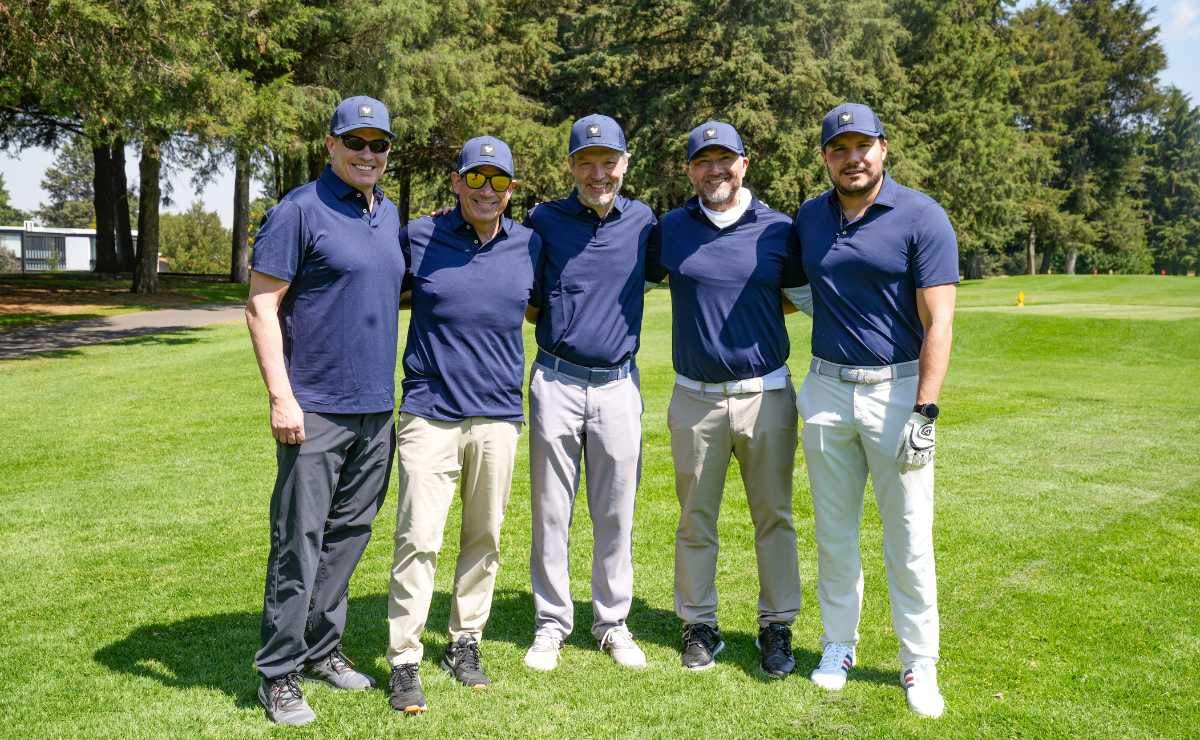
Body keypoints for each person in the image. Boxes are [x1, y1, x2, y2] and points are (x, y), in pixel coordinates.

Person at [792, 102, 957, 718]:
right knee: (835, 535)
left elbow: (939, 319)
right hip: (828, 390)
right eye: (839, 149)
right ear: (826, 157)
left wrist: (926, 409)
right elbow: (794, 285)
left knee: (909, 536)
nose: (852, 158)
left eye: (863, 146)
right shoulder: (810, 217)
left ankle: (919, 662)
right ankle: (839, 644)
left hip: (898, 390)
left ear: (883, 149)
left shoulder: (920, 215)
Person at [245, 95, 404, 726]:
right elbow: (260, 307)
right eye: (356, 143)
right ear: (331, 145)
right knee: (298, 542)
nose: (368, 154)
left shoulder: (387, 214)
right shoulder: (298, 211)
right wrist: (282, 397)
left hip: (375, 407)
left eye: (379, 145)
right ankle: (279, 674)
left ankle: (322, 648)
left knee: (348, 537)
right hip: (315, 409)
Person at [385, 136, 541, 714]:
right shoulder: (419, 237)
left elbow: (541, 306)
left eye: (498, 181)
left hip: (499, 414)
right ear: (456, 181)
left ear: (511, 189)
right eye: (475, 178)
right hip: (430, 412)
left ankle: (464, 643)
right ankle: (404, 659)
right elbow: (385, 291)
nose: (486, 190)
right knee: (418, 538)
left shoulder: (530, 243)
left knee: (485, 537)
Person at [646, 121, 803, 678]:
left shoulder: (780, 229)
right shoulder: (671, 228)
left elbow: (801, 299)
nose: (715, 170)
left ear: (746, 162)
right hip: (695, 399)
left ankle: (776, 626)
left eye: (725, 160)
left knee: (774, 517)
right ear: (690, 170)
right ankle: (699, 624)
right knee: (695, 519)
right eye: (703, 162)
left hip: (768, 396)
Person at [521, 114, 657, 672]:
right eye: (586, 162)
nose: (597, 173)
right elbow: (528, 299)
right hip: (555, 379)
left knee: (615, 511)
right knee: (552, 511)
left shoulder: (645, 222)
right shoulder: (543, 220)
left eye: (608, 162)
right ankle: (552, 623)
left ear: (624, 163)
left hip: (619, 386)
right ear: (571, 166)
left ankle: (612, 622)